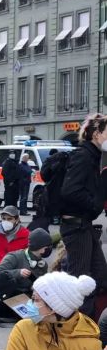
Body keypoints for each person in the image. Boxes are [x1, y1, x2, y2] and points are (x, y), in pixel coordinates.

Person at [59, 113, 107, 314]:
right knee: (81, 281)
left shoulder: (92, 156)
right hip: (76, 225)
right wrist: (94, 205)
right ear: (96, 134)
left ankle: (87, 325)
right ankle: (76, 329)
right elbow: (70, 190)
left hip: (83, 225)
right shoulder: (83, 156)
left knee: (99, 276)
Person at [0, 228, 53, 294]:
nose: (50, 249)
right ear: (42, 248)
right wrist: (17, 273)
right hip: (9, 296)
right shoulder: (14, 257)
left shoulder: (43, 265)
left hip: (30, 297)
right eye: (48, 247)